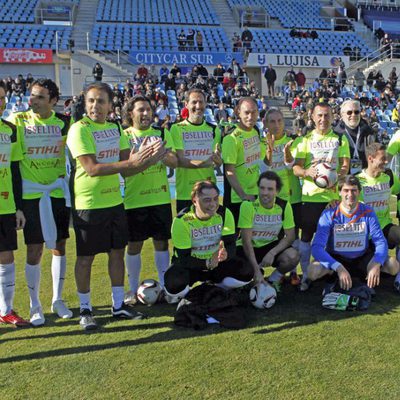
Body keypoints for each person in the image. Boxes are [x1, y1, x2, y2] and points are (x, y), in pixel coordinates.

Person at [66, 82, 167, 330]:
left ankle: (118, 305)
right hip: (88, 204)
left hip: (114, 202)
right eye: (91, 101)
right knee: (85, 258)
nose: (95, 106)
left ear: (111, 105)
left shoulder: (115, 129)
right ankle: (85, 309)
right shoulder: (79, 129)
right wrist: (133, 162)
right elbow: (92, 168)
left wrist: (151, 158)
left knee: (116, 254)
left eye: (101, 101)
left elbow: (129, 168)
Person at [8, 79, 73, 326]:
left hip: (57, 194)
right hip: (31, 195)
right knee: (34, 250)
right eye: (32, 96)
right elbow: (13, 163)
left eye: (40, 97)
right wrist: (17, 204)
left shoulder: (65, 123)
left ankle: (57, 299)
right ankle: (35, 305)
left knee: (60, 246)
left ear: (54, 101)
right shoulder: (18, 121)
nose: (32, 100)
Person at [122, 95, 177, 305]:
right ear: (130, 113)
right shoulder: (124, 134)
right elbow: (125, 168)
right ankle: (132, 288)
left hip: (160, 197)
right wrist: (143, 156)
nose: (145, 114)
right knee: (134, 245)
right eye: (140, 110)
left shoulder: (162, 132)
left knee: (161, 243)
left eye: (148, 110)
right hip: (134, 200)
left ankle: (164, 287)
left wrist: (161, 153)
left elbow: (174, 162)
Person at [164, 180, 253, 301]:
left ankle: (217, 287)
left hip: (217, 264)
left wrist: (226, 254)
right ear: (194, 201)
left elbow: (230, 244)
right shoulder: (181, 221)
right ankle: (187, 295)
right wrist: (206, 263)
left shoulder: (225, 213)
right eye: (207, 200)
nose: (213, 204)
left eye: (216, 198)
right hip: (192, 266)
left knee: (247, 271)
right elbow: (184, 258)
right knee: (173, 283)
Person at [293, 102, 350, 290]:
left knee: (333, 239)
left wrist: (337, 177)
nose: (323, 119)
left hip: (332, 199)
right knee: (306, 237)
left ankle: (330, 274)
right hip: (310, 197)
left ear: (333, 117)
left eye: (326, 116)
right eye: (319, 115)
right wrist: (306, 172)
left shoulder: (340, 139)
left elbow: (345, 165)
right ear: (312, 117)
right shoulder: (305, 139)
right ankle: (306, 276)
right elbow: (296, 168)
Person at [308, 175, 397, 292]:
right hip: (337, 259)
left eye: (354, 190)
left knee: (393, 265)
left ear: (359, 192)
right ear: (339, 192)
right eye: (346, 190)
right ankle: (334, 277)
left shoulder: (368, 212)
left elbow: (380, 241)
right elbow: (317, 247)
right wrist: (337, 267)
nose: (350, 195)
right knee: (312, 271)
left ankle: (368, 278)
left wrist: (376, 263)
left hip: (362, 257)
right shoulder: (329, 213)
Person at [236, 171, 299, 289]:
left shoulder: (284, 205)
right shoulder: (248, 205)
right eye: (262, 188)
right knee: (244, 272)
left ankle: (273, 280)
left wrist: (272, 253)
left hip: (270, 246)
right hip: (249, 248)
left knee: (293, 256)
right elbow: (246, 241)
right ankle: (253, 275)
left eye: (270, 189)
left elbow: (290, 237)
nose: (265, 193)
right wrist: (256, 270)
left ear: (277, 191)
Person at [0, 81, 29, 327]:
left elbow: (15, 170)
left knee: (6, 258)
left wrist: (19, 206)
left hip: (5, 206)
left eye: (2, 98)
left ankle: (6, 310)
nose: (0, 102)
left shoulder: (9, 129)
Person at [263, 108, 302, 284]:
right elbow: (261, 169)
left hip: (292, 198)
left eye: (279, 121)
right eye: (272, 121)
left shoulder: (294, 142)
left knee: (293, 236)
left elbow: (291, 166)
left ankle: (293, 272)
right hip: (270, 200)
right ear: (266, 124)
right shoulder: (259, 143)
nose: (277, 125)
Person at [169, 88, 222, 214]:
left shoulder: (214, 130)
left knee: (209, 231)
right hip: (186, 192)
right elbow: (181, 161)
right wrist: (205, 163)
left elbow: (217, 162)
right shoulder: (177, 129)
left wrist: (218, 161)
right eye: (194, 102)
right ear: (186, 104)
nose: (198, 106)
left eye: (201, 102)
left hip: (209, 192)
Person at [356, 143, 400, 291]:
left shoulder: (389, 176)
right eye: (383, 159)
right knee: (367, 265)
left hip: (385, 227)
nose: (386, 162)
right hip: (365, 233)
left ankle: (398, 279)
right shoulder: (357, 180)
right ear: (370, 158)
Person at [222, 97, 267, 225]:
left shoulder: (256, 131)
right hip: (237, 198)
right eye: (246, 112)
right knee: (236, 239)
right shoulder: (231, 137)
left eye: (253, 112)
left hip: (255, 194)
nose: (250, 116)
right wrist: (243, 195)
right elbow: (229, 172)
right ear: (238, 112)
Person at [333, 99, 375, 174]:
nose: (353, 115)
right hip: (344, 179)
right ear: (342, 115)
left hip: (365, 177)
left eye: (356, 112)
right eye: (349, 112)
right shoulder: (335, 135)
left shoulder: (369, 133)